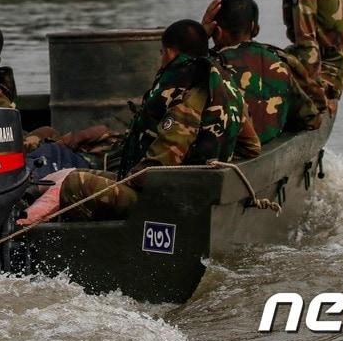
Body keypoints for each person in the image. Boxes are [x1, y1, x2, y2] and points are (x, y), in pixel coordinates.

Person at [50, 19, 259, 222]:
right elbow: (251, 147)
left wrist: (129, 176)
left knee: (74, 183)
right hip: (193, 192)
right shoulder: (226, 87)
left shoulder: (186, 97)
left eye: (161, 53)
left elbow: (157, 171)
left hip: (167, 203)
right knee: (78, 172)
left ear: (169, 53)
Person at [202, 0, 321, 145]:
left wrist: (201, 35)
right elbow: (313, 116)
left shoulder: (209, 64)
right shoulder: (282, 60)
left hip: (227, 151)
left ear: (216, 32)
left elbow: (172, 83)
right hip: (268, 145)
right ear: (254, 28)